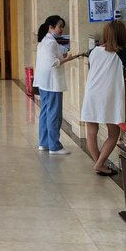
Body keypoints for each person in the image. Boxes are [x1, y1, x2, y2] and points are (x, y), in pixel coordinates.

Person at [81, 20, 126, 175]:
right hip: (108, 96)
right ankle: (99, 164)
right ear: (122, 35)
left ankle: (99, 164)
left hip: (91, 93)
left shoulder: (94, 51)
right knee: (114, 134)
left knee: (91, 133)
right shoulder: (121, 52)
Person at [33, 15, 81, 154]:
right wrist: (68, 59)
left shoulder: (44, 40)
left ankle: (44, 143)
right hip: (51, 83)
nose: (61, 29)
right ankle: (54, 146)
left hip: (44, 82)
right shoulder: (50, 42)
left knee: (45, 113)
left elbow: (52, 57)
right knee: (54, 114)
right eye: (60, 26)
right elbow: (52, 62)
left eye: (62, 27)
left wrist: (63, 56)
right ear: (51, 27)